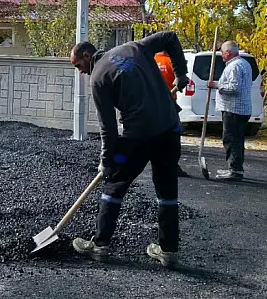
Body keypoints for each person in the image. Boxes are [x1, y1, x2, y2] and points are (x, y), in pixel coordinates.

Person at [70, 31, 189, 268]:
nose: (80, 71)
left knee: (114, 184)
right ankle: (168, 251)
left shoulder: (98, 79)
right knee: (167, 189)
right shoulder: (135, 48)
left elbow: (109, 128)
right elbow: (171, 38)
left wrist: (107, 161)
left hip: (139, 136)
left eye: (78, 65)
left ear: (86, 54)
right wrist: (181, 73)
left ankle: (100, 245)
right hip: (169, 128)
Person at [207, 40, 253, 181]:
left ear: (228, 52)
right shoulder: (244, 63)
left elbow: (234, 88)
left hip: (234, 109)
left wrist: (216, 85)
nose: (221, 56)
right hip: (240, 109)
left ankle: (235, 170)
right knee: (237, 140)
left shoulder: (234, 66)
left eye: (222, 53)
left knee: (231, 140)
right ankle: (235, 168)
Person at [154, 51, 190, 178]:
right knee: (173, 134)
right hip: (169, 103)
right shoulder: (171, 63)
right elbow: (181, 81)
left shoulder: (149, 61)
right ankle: (172, 165)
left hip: (151, 103)